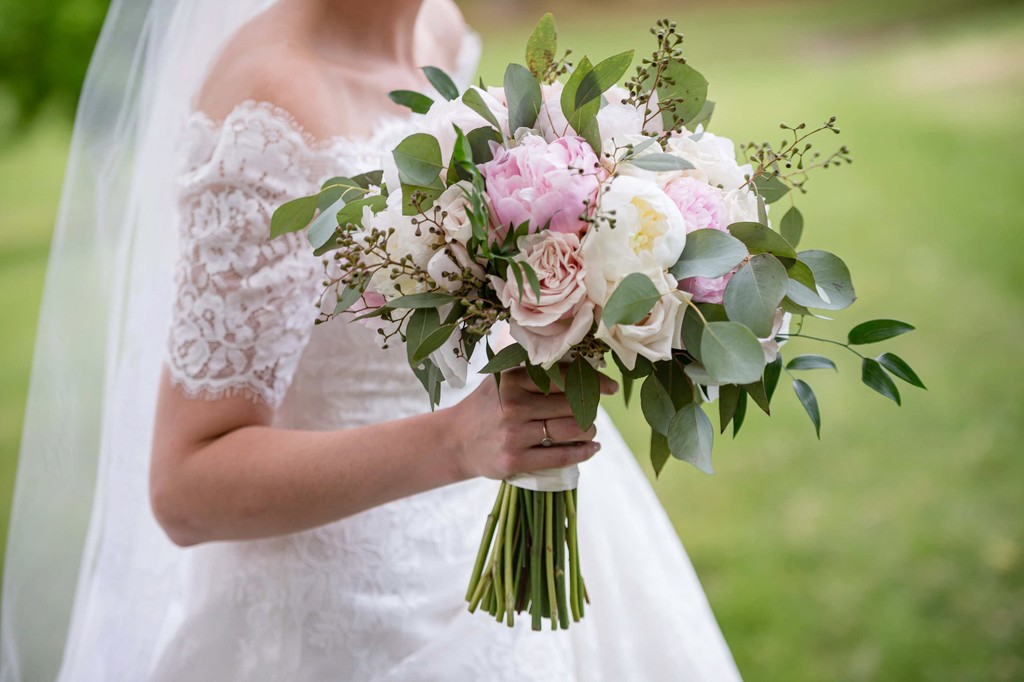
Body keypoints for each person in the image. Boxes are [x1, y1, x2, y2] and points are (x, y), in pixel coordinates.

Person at [1, 0, 743, 679]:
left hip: (501, 543)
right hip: (345, 619)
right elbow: (185, 487)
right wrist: (457, 442)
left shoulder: (437, 31)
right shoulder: (266, 102)